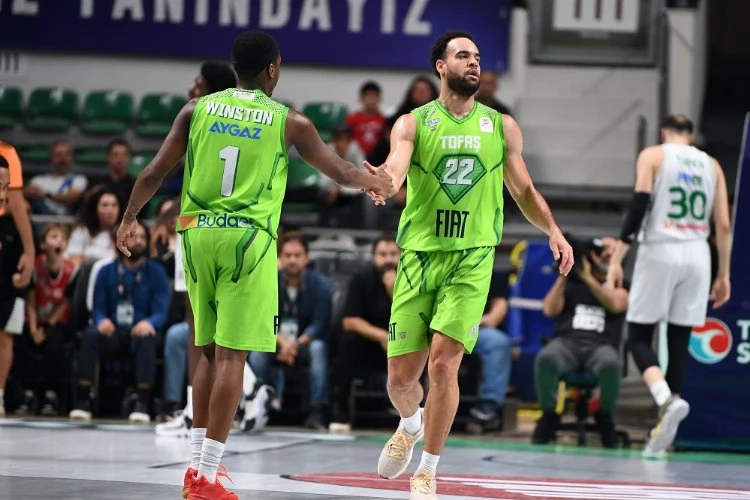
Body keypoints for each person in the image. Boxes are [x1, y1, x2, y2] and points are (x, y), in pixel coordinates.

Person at [116, 30, 391, 500]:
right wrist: (378, 182)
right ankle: (208, 475)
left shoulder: (196, 109)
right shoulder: (289, 121)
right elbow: (342, 171)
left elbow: (154, 171)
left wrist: (128, 218)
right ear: (272, 69)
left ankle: (195, 469)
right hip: (246, 240)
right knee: (232, 357)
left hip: (196, 234)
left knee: (206, 351)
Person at [368, 31, 573, 499]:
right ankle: (410, 423)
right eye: (463, 56)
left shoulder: (501, 127)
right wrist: (382, 181)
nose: (474, 62)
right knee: (400, 381)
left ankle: (428, 470)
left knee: (444, 365)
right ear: (441, 66)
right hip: (419, 257)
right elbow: (396, 169)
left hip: (472, 258)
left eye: (477, 56)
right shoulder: (413, 123)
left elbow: (523, 190)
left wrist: (553, 230)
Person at [607, 114, 732, 458]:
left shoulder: (654, 155)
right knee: (678, 340)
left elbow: (639, 206)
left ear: (665, 132)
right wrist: (723, 273)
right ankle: (664, 432)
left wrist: (617, 259)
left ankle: (665, 399)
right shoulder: (713, 165)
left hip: (661, 248)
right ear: (691, 136)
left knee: (637, 336)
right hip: (698, 254)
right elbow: (723, 224)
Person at [533, 236, 628, 448]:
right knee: (546, 358)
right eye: (603, 248)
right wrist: (564, 276)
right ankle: (549, 413)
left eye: (613, 250)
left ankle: (604, 415)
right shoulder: (573, 283)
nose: (607, 253)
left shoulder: (621, 285)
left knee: (611, 364)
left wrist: (589, 278)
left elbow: (615, 304)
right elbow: (549, 309)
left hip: (600, 347)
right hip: (568, 343)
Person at [0, 142, 35, 416]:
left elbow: (15, 197)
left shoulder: (8, 153)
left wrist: (30, 251)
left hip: (7, 282)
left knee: (5, 337)